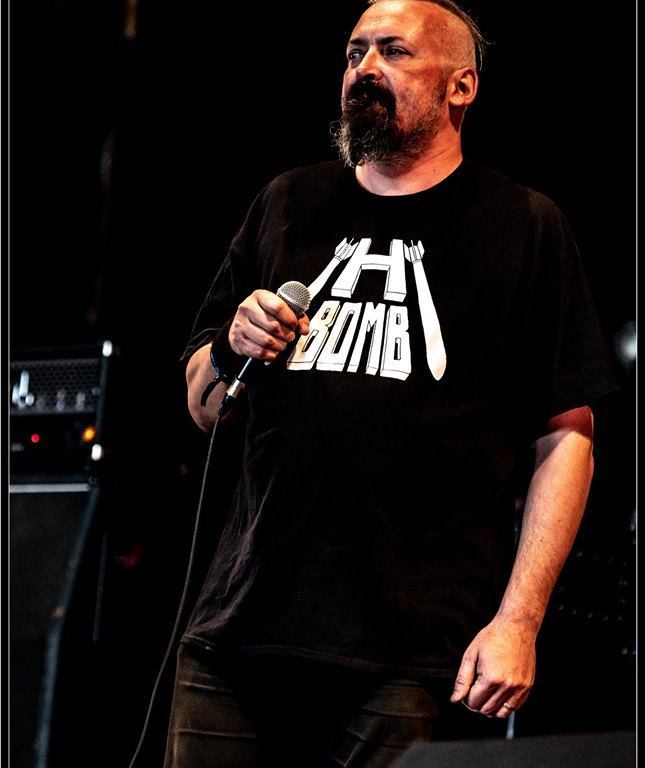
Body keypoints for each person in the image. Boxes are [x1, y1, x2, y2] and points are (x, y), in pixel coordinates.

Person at [164, 0, 617, 765]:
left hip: (410, 654)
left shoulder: (522, 225)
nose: (365, 69)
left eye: (394, 52)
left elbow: (567, 437)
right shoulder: (287, 203)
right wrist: (231, 347)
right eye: (354, 53)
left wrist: (519, 621)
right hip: (238, 636)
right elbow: (204, 406)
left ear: (461, 86)